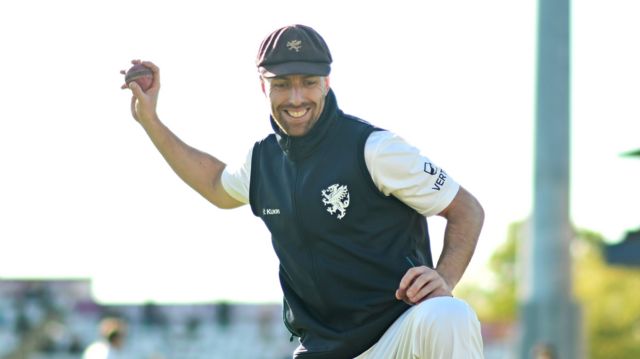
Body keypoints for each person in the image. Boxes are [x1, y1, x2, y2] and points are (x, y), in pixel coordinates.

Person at [122, 24, 485, 359]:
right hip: (321, 350)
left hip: (397, 337)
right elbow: (216, 185)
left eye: (308, 82)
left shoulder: (375, 149)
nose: (296, 98)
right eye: (282, 84)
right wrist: (151, 121)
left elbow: (466, 208)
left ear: (327, 82)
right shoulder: (261, 162)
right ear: (263, 86)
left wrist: (445, 276)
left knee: (446, 315)